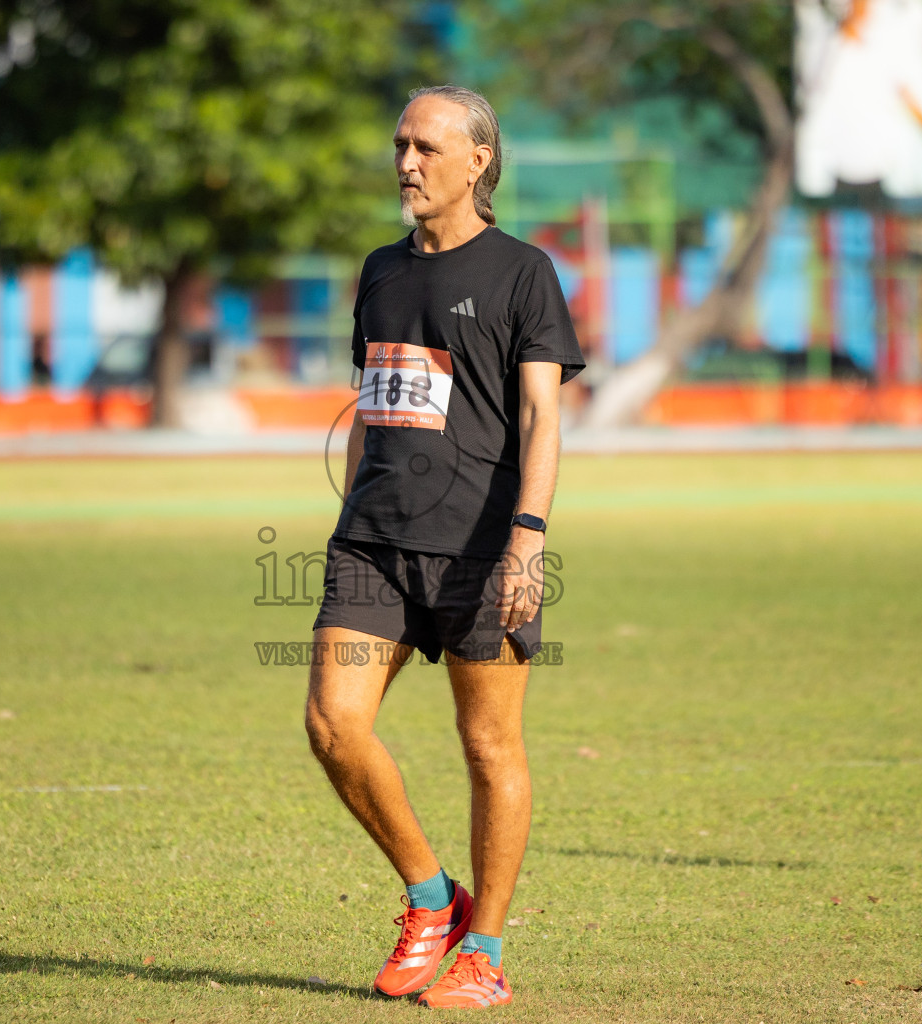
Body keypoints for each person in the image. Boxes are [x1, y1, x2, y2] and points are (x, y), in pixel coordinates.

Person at [305, 85, 584, 1009]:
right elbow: (370, 402)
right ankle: (433, 900)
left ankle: (486, 953)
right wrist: (351, 513)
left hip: (480, 545)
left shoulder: (523, 272)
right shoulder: (380, 270)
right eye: (400, 144)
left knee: (487, 743)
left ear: (478, 161)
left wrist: (529, 537)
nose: (407, 162)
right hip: (374, 544)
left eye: (426, 146)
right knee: (333, 726)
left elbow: (544, 414)